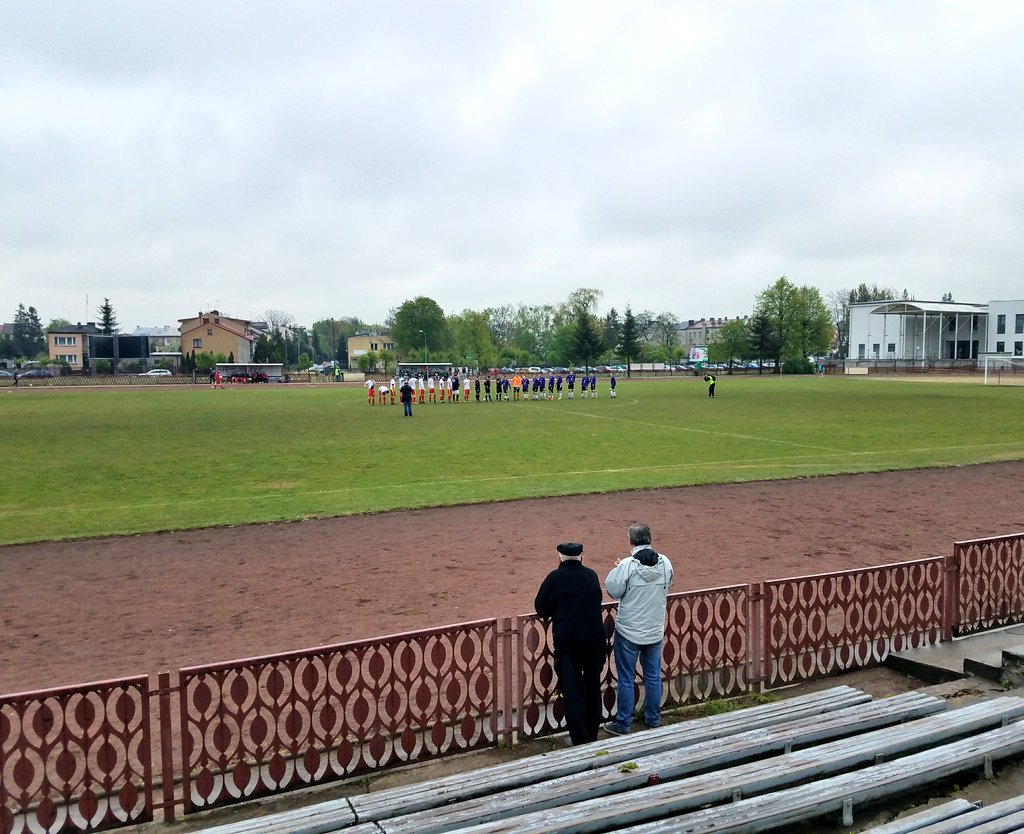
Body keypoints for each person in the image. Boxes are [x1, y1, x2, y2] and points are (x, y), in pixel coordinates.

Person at [603, 522, 674, 735]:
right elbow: (668, 583)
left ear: (631, 541)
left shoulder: (627, 565)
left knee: (626, 677)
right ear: (650, 539)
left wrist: (619, 570)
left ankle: (623, 722)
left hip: (630, 631)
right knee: (652, 675)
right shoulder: (665, 562)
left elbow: (613, 591)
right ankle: (653, 718)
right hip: (653, 630)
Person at [534, 542, 607, 746]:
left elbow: (540, 607)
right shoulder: (591, 575)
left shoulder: (555, 577)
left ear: (559, 558)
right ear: (581, 556)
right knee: (593, 688)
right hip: (594, 641)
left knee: (572, 692)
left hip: (569, 643)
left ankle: (579, 738)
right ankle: (591, 735)